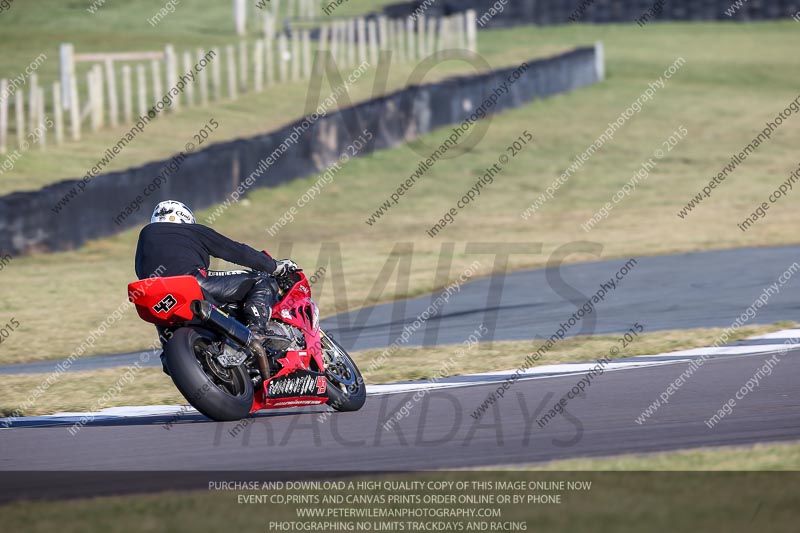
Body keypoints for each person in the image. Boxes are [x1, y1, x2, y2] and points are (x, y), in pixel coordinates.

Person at [135, 200, 297, 368]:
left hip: (154, 296)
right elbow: (235, 251)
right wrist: (274, 266)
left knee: (168, 345)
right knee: (261, 279)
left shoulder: (145, 236)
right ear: (185, 218)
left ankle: (170, 355)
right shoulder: (192, 231)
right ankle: (257, 331)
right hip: (190, 282)